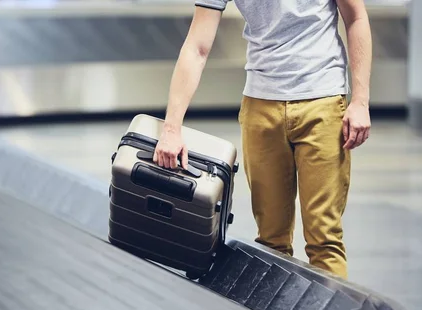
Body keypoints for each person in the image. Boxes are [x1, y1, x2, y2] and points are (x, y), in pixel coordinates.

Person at [153, 0, 372, 279]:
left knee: (324, 239)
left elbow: (356, 18)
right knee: (271, 241)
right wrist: (171, 128)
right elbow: (197, 47)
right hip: (261, 105)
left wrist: (361, 100)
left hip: (323, 100)